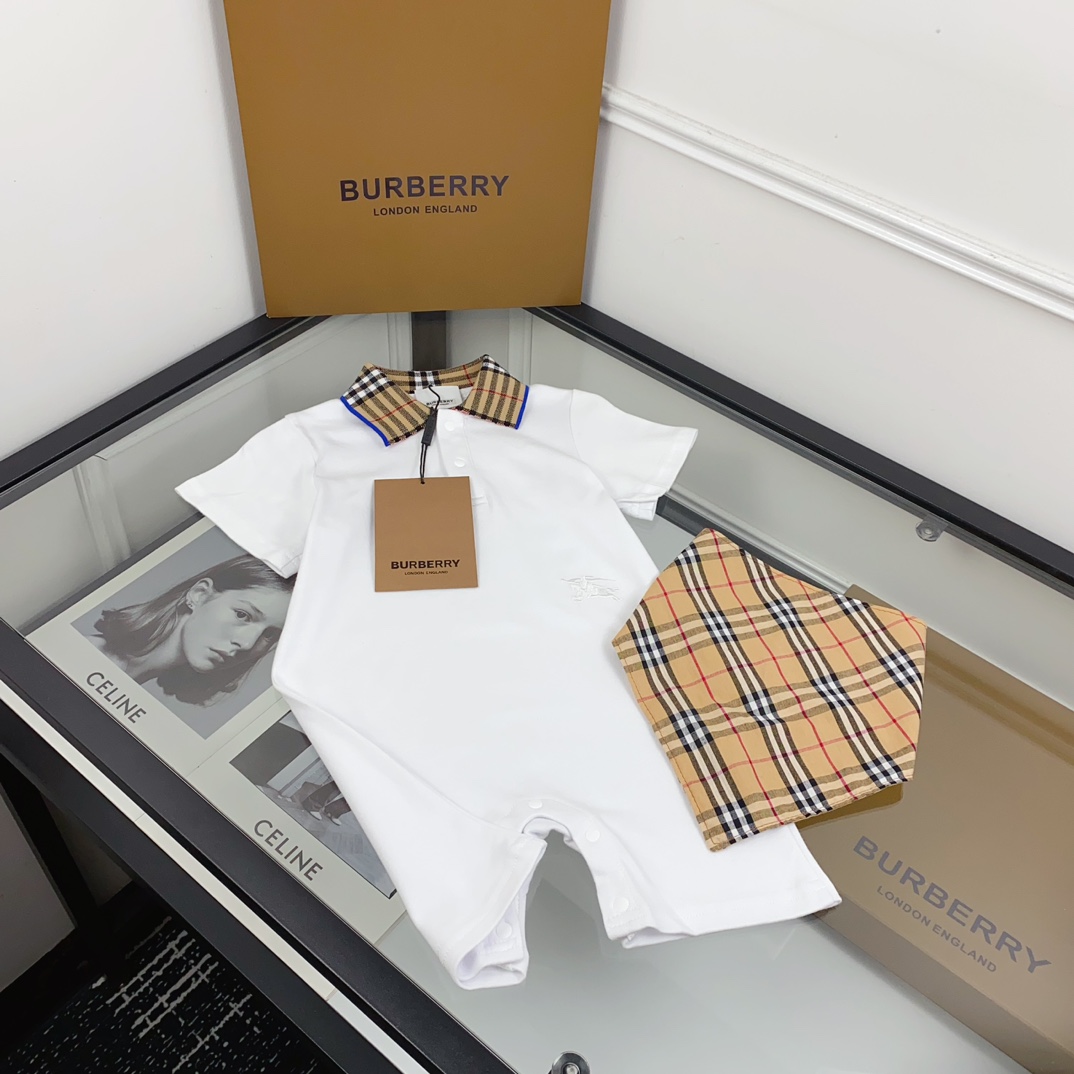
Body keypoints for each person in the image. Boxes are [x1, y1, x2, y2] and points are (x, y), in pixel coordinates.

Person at [90, 555, 294, 705]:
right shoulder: (95, 657)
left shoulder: (128, 679)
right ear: (199, 594)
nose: (247, 644)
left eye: (270, 635)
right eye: (242, 615)